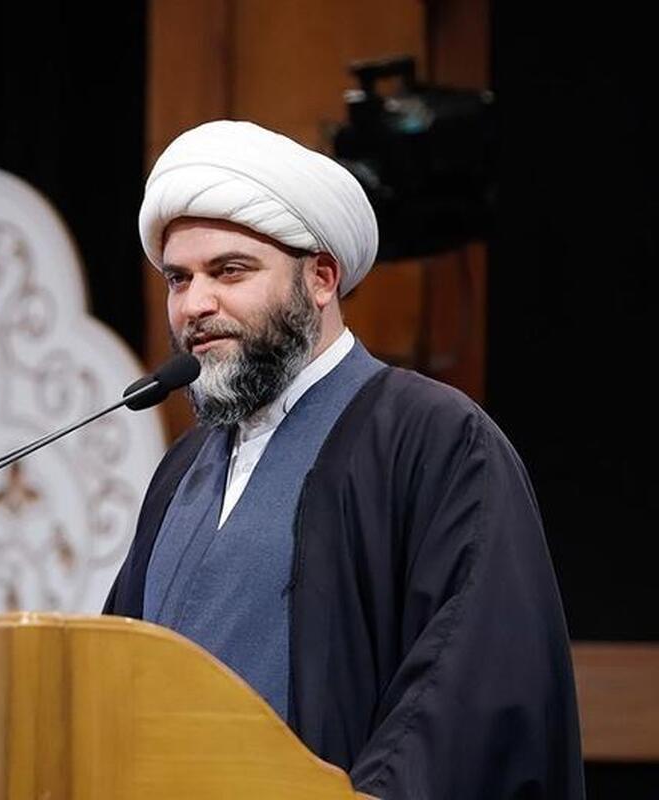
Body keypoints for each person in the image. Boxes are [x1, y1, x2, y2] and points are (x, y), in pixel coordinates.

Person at [104, 120, 584, 799]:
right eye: (179, 279)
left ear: (321, 278)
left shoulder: (434, 440)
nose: (196, 305)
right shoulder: (183, 472)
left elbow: (468, 685)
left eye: (230, 271)